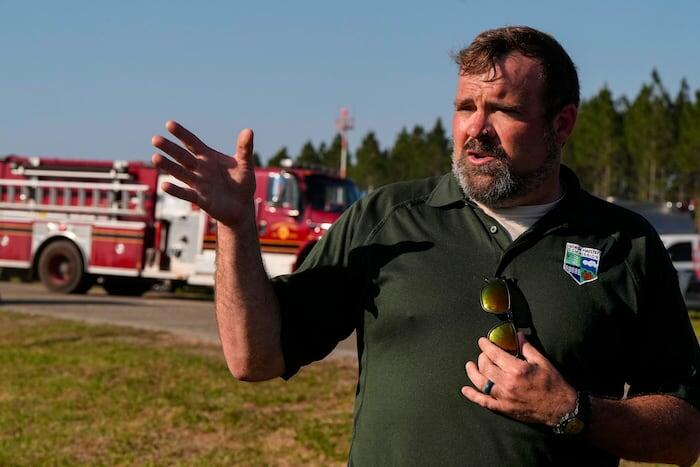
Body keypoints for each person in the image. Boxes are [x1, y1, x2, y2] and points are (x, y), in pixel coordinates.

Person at [151, 26, 700, 466]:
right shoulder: (385, 219)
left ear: (561, 124)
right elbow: (254, 357)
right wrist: (236, 227)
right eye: (465, 107)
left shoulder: (625, 245)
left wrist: (572, 411)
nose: (476, 129)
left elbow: (686, 434)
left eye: (504, 110)